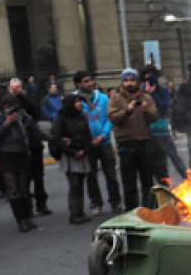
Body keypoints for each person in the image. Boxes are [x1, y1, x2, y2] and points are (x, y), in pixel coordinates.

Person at [0, 93, 47, 232]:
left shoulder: (24, 116)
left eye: (13, 105)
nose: (11, 108)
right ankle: (20, 220)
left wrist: (56, 139)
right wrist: (8, 123)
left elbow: (37, 132)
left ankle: (27, 217)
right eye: (7, 106)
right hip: (6, 156)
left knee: (23, 189)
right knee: (13, 189)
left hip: (22, 154)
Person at [108, 68, 159, 210]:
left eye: (132, 80)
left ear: (137, 81)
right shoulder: (116, 98)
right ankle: (131, 211)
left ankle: (149, 210)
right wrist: (127, 111)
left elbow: (154, 116)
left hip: (144, 143)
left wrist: (145, 109)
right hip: (126, 145)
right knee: (129, 183)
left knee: (147, 182)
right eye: (126, 80)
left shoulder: (146, 98)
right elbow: (113, 118)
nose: (129, 83)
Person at [73, 71, 122, 213]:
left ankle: (115, 201)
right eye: (86, 81)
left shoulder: (102, 98)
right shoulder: (74, 100)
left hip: (104, 141)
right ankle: (96, 202)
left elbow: (109, 118)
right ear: (78, 84)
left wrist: (103, 135)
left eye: (90, 80)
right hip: (87, 144)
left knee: (111, 174)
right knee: (91, 175)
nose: (89, 83)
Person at [50, 93, 94, 224]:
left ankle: (80, 212)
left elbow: (88, 136)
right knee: (74, 184)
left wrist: (84, 150)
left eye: (79, 101)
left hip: (81, 153)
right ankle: (74, 214)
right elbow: (58, 138)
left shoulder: (82, 117)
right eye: (76, 102)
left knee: (80, 184)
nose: (79, 104)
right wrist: (72, 151)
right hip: (70, 156)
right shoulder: (61, 118)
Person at [7, 78, 49, 214]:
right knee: (23, 179)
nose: (16, 90)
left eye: (18, 87)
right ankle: (27, 207)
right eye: (13, 88)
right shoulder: (5, 104)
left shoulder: (27, 100)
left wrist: (20, 96)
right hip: (18, 148)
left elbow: (34, 111)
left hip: (33, 145)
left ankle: (41, 204)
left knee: (38, 176)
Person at [142, 65, 186, 183]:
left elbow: (164, 107)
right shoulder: (141, 91)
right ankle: (164, 188)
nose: (149, 78)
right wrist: (146, 92)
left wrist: (153, 93)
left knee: (175, 158)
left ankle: (189, 181)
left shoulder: (163, 91)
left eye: (152, 75)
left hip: (163, 132)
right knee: (158, 165)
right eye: (147, 75)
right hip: (150, 134)